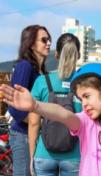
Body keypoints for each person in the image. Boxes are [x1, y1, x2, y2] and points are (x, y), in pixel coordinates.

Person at [0, 63, 101, 176]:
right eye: (81, 99)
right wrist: (36, 105)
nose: (84, 104)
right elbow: (63, 114)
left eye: (87, 96)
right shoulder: (86, 123)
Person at [28, 33, 81, 176]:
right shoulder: (84, 84)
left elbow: (34, 123)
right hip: (75, 156)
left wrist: (32, 156)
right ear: (79, 55)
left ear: (56, 55)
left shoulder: (41, 81)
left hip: (44, 154)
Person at [8, 25, 51, 176]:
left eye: (49, 39)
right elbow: (13, 107)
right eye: (44, 40)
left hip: (37, 135)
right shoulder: (25, 67)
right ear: (31, 44)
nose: (49, 43)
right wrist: (35, 121)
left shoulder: (43, 72)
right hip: (22, 135)